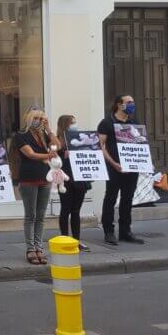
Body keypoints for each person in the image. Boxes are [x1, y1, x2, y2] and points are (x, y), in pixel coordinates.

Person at [14, 109, 61, 265]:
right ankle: (30, 248)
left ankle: (39, 247)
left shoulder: (44, 135)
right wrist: (48, 156)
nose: (39, 120)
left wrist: (49, 129)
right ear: (28, 119)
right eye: (36, 118)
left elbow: (58, 145)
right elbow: (30, 154)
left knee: (41, 216)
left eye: (42, 118)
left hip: (44, 178)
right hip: (28, 179)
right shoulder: (21, 135)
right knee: (31, 215)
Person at [98, 95, 144, 245]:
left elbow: (140, 144)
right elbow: (101, 146)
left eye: (133, 102)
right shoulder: (107, 122)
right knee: (110, 198)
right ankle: (109, 231)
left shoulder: (134, 122)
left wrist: (143, 161)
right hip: (114, 168)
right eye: (129, 102)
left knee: (127, 199)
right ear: (119, 104)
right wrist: (113, 163)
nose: (132, 104)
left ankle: (125, 231)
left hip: (132, 168)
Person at [56, 115, 91, 252]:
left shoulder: (80, 139)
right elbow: (54, 160)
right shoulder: (58, 141)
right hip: (65, 180)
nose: (75, 125)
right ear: (65, 125)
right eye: (72, 123)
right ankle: (65, 238)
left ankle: (76, 240)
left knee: (76, 210)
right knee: (65, 209)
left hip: (80, 179)